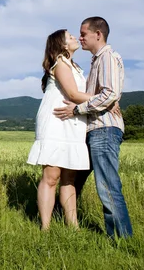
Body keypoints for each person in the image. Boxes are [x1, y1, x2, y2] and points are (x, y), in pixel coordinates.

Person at [54, 17, 133, 239]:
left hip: (104, 129)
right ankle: (62, 223)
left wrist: (77, 109)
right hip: (93, 130)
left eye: (83, 33)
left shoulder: (107, 56)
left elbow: (109, 94)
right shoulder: (96, 61)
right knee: (74, 181)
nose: (80, 38)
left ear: (98, 34)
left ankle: (121, 239)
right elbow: (105, 96)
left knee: (107, 186)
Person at [27, 29, 109, 230]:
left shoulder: (76, 67)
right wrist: (108, 97)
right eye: (71, 37)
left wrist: (102, 97)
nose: (75, 38)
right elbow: (73, 93)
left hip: (73, 122)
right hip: (56, 121)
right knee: (51, 176)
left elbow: (79, 94)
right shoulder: (61, 64)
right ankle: (45, 228)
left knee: (69, 178)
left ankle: (73, 227)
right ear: (62, 45)